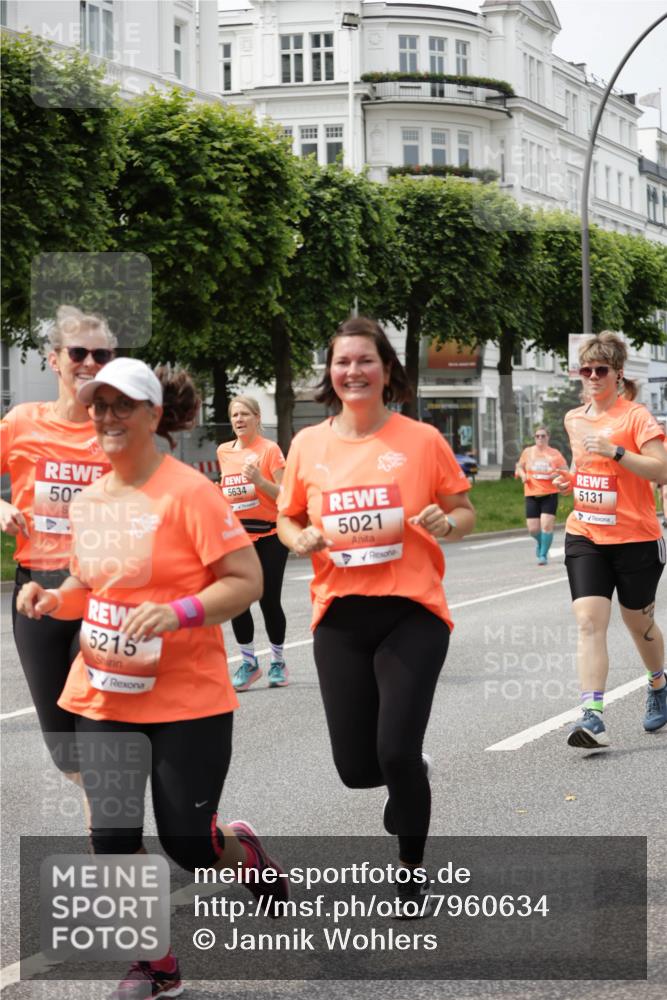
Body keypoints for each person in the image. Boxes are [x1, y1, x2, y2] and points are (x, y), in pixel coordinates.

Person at [17, 359, 289, 999]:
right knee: (111, 840)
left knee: (189, 845)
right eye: (98, 406)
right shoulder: (89, 502)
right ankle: (156, 963)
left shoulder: (190, 493)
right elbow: (91, 584)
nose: (107, 417)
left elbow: (244, 580)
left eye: (121, 405)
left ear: (154, 415)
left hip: (187, 697)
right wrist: (54, 600)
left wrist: (177, 611)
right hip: (106, 693)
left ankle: (239, 849)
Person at [277, 316, 475, 916]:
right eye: (342, 362)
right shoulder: (309, 445)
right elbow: (286, 517)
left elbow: (463, 511)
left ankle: (411, 875)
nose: (353, 371)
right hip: (339, 615)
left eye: (365, 360)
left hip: (412, 613)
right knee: (356, 769)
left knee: (394, 750)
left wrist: (449, 524)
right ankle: (408, 774)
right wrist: (299, 538)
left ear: (387, 370)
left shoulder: (421, 440)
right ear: (329, 374)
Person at [0, 305, 115, 778]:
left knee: (100, 736)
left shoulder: (116, 430)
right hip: (35, 597)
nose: (89, 361)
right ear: (54, 360)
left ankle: (116, 844)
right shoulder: (23, 422)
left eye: (101, 353)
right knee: (67, 755)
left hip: (101, 596)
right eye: (79, 351)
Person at [553, 332, 667, 747]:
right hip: (586, 533)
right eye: (587, 370)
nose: (594, 376)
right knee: (588, 622)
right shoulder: (573, 418)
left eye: (602, 369)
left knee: (638, 625)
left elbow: (661, 471)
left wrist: (615, 451)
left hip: (636, 537)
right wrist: (569, 480)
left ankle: (658, 684)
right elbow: (582, 467)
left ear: (619, 374)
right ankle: (592, 716)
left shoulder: (636, 417)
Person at [217, 397, 289, 690]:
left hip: (271, 535)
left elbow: (285, 496)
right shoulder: (223, 451)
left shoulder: (270, 450)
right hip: (237, 538)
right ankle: (248, 663)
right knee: (237, 601)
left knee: (268, 600)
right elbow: (229, 493)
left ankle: (277, 662)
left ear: (258, 418)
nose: (239, 419)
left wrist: (260, 480)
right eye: (234, 415)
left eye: (245, 414)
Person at [515, 427, 568, 565]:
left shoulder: (554, 454)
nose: (540, 438)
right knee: (533, 529)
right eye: (537, 436)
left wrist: (556, 475)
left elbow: (566, 470)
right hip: (531, 493)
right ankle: (541, 542)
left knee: (546, 526)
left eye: (543, 436)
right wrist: (523, 475)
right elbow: (519, 466)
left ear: (548, 437)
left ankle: (543, 554)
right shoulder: (528, 452)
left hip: (549, 494)